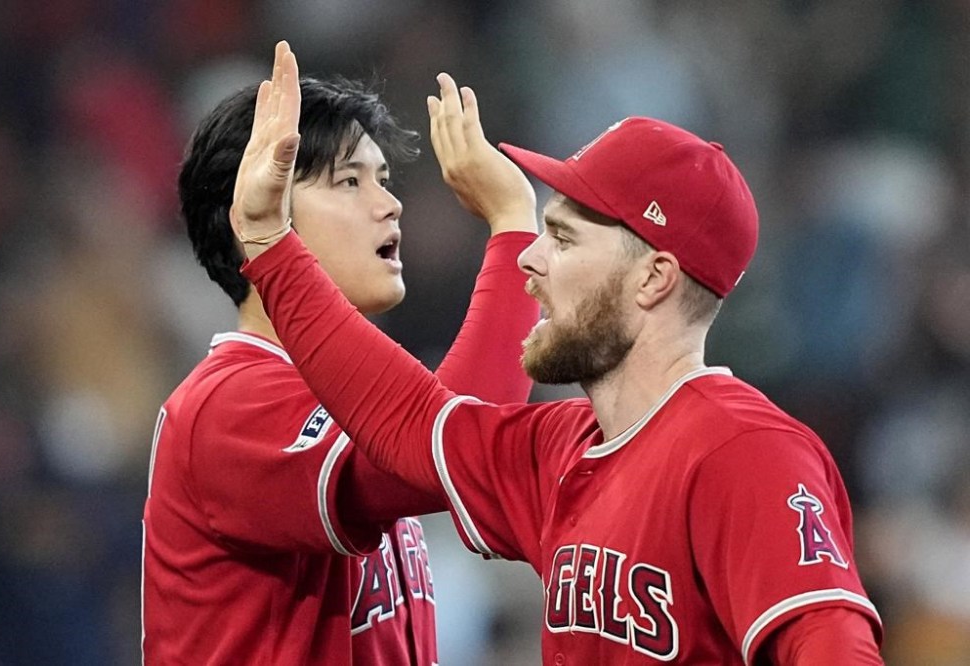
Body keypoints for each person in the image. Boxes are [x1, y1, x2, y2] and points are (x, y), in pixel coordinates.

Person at [235, 43, 886, 664]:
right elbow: (409, 425)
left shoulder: (743, 451)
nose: (530, 256)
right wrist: (269, 243)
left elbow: (835, 648)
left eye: (564, 239)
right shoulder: (559, 448)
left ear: (654, 278)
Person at [141, 42, 540, 664]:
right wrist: (514, 222)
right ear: (254, 205)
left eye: (383, 179)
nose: (389, 203)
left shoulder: (346, 397)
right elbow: (459, 447)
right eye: (349, 181)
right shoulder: (229, 404)